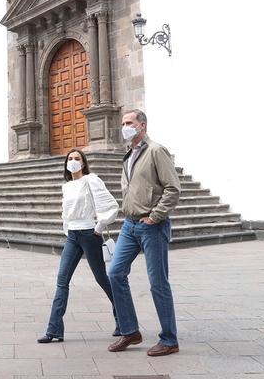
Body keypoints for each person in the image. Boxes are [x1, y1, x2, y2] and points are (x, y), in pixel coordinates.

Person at [107, 109, 181, 356]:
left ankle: (169, 339)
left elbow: (173, 188)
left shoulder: (156, 151)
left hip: (152, 226)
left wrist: (155, 216)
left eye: (129, 122)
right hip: (129, 225)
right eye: (123, 123)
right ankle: (130, 331)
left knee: (158, 283)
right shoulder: (128, 154)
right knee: (115, 273)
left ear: (143, 126)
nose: (124, 126)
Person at [37, 148, 120, 343]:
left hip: (90, 235)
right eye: (70, 158)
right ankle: (54, 329)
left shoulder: (91, 180)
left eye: (77, 158)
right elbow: (66, 212)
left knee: (102, 279)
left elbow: (111, 205)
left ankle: (123, 320)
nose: (73, 161)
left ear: (83, 163)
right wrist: (68, 230)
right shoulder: (66, 186)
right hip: (72, 236)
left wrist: (99, 226)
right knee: (62, 280)